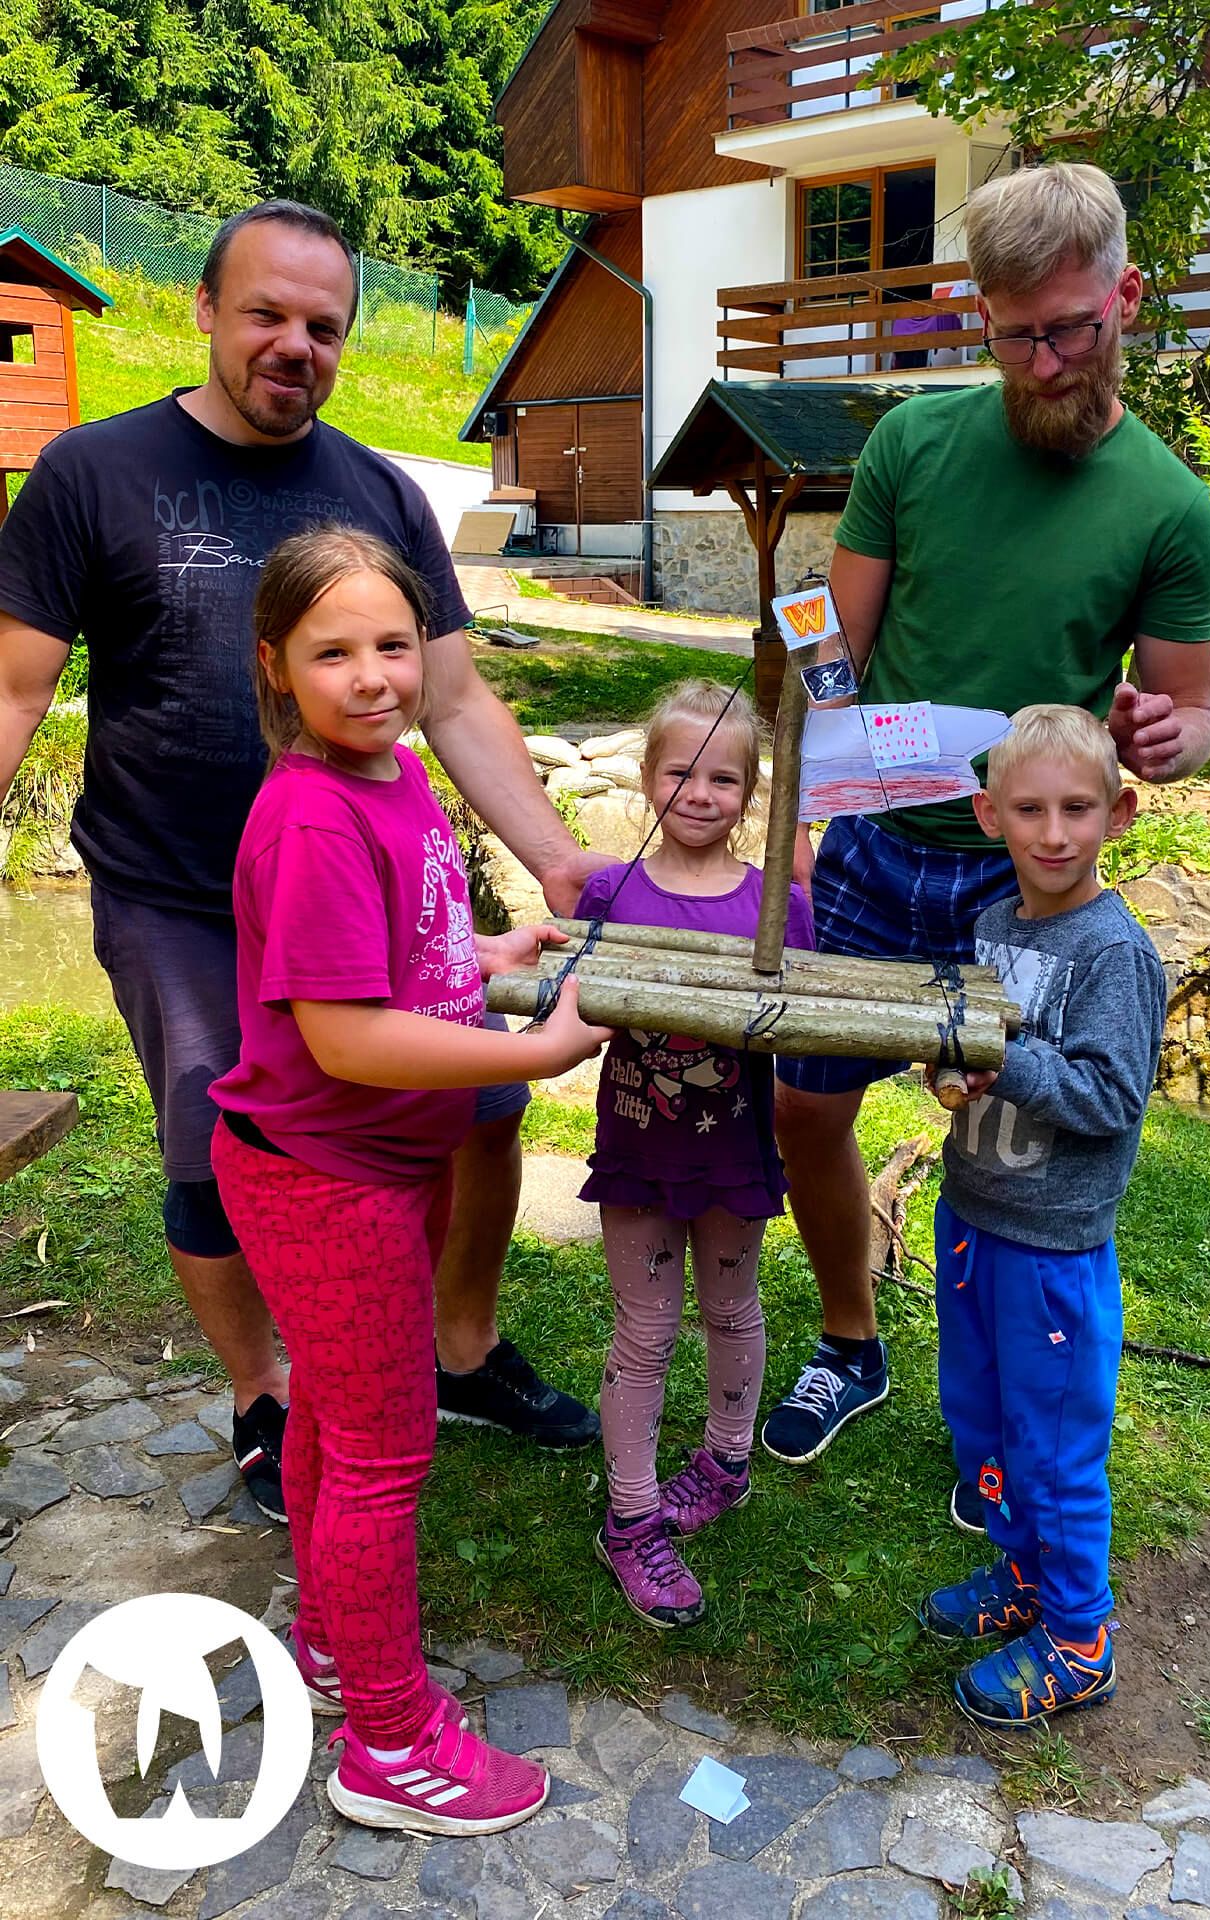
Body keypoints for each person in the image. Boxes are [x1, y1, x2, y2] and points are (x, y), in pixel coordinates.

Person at [0, 199, 602, 1523]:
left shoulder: (379, 490)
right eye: (265, 314)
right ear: (205, 310)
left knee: (480, 1111)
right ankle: (266, 1394)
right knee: (216, 1147)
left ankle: (457, 1350)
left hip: (377, 884)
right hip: (178, 894)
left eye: (322, 326)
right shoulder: (92, 472)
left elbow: (454, 697)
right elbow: (14, 691)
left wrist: (557, 859)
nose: (293, 345)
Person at [763, 163, 1210, 1524]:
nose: (1040, 361)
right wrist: (803, 755)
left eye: (1067, 328)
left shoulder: (1168, 507)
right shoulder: (911, 446)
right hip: (873, 849)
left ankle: (1007, 1419)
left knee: (1011, 1150)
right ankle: (850, 1342)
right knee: (806, 1106)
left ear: (1125, 296)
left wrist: (1167, 737)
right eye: (1011, 333)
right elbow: (833, 653)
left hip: (1025, 880)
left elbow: (1191, 712)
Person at [210, 526, 611, 1831]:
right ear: (275, 664)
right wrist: (539, 1049)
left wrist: (487, 955)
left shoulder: (386, 773)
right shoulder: (314, 815)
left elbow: (399, 950)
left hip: (371, 1167)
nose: (374, 675)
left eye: (393, 644)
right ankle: (390, 1744)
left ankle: (332, 1646)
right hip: (325, 1181)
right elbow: (344, 1036)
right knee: (382, 1453)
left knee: (336, 1419)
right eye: (333, 652)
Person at [917, 704, 1163, 1726]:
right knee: (983, 1422)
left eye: (1076, 809)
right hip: (971, 1217)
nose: (1053, 833)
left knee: (1053, 1447)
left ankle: (1078, 1637)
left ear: (1119, 811)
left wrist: (997, 1061)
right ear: (989, 816)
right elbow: (978, 1047)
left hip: (1051, 1248)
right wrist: (950, 1066)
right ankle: (1023, 1575)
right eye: (1028, 810)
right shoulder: (994, 925)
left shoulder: (1114, 953)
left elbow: (1109, 1097)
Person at [574, 681, 814, 1628]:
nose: (700, 793)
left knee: (730, 1307)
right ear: (647, 778)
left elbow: (806, 1022)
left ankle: (725, 1461)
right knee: (643, 1329)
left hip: (732, 1152)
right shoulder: (611, 893)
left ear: (752, 795)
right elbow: (577, 1002)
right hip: (639, 1146)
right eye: (681, 772)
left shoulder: (774, 904)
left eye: (725, 778)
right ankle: (631, 1517)